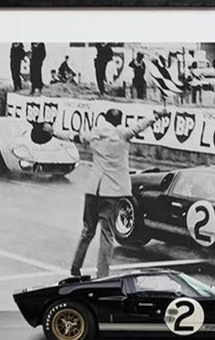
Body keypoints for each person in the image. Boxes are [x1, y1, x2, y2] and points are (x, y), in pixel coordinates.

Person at [52, 106, 170, 278]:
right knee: (107, 234)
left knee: (87, 230)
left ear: (105, 119)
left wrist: (53, 132)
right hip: (112, 192)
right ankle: (102, 274)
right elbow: (140, 126)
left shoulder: (94, 134)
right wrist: (155, 116)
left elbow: (73, 136)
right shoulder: (122, 135)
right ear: (119, 121)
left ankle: (76, 266)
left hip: (93, 189)